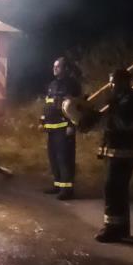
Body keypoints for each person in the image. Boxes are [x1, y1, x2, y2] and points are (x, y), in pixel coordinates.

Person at [79, 67, 133, 242]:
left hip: (123, 154)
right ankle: (122, 228)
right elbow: (109, 122)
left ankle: (112, 229)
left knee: (113, 190)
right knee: (118, 191)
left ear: (123, 82)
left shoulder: (131, 101)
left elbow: (123, 125)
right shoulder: (120, 100)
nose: (110, 86)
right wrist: (91, 115)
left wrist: (108, 113)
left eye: (113, 82)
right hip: (117, 153)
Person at [40, 56, 83, 200]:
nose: (54, 69)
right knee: (53, 158)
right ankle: (58, 185)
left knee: (65, 159)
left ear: (66, 68)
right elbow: (47, 104)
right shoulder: (52, 84)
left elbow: (75, 107)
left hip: (64, 128)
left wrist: (71, 125)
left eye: (58, 66)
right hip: (52, 128)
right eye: (54, 66)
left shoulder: (72, 85)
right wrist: (42, 121)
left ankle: (67, 190)